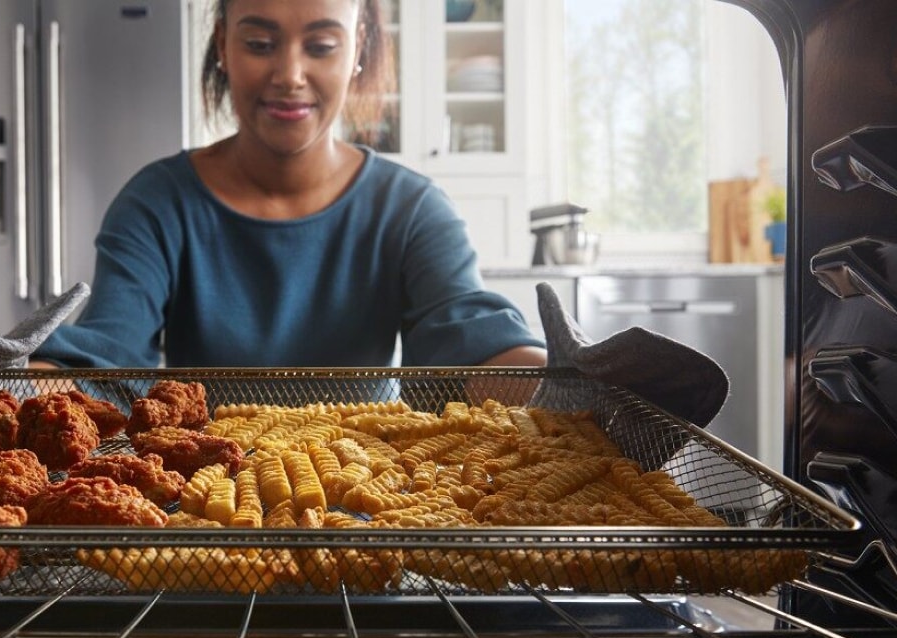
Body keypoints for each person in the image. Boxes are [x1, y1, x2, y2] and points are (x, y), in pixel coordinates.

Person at [31, 0, 546, 371]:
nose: (290, 74)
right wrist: (17, 393)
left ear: (357, 50)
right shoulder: (157, 203)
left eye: (320, 46)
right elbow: (105, 356)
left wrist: (574, 385)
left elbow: (472, 339)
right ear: (223, 48)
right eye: (259, 44)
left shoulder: (410, 209)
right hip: (206, 510)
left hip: (365, 510)